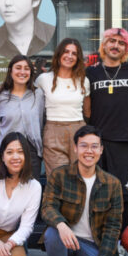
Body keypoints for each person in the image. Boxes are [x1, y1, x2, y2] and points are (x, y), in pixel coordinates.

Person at [40, 125, 122, 256]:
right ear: (75, 148)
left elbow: (113, 225)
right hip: (66, 239)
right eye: (84, 146)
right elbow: (47, 207)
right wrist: (61, 225)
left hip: (93, 244)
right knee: (52, 234)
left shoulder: (112, 183)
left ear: (101, 150)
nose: (89, 151)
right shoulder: (59, 175)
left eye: (94, 146)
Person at [86, 27, 128, 225]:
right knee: (101, 193)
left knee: (127, 193)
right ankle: (103, 235)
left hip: (127, 140)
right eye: (112, 41)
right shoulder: (91, 73)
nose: (116, 46)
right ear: (104, 45)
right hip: (99, 142)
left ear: (126, 49)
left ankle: (125, 235)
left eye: (121, 43)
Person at [35, 38, 91, 174]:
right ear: (59, 54)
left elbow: (87, 111)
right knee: (57, 177)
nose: (69, 56)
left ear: (78, 58)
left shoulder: (84, 80)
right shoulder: (43, 79)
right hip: (53, 130)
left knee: (80, 175)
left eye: (74, 53)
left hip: (78, 129)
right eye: (66, 52)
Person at [0, 54, 45, 179]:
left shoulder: (38, 95)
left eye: (26, 68)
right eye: (18, 68)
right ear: (10, 71)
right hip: (8, 152)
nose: (22, 72)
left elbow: (41, 122)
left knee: (31, 189)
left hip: (32, 153)